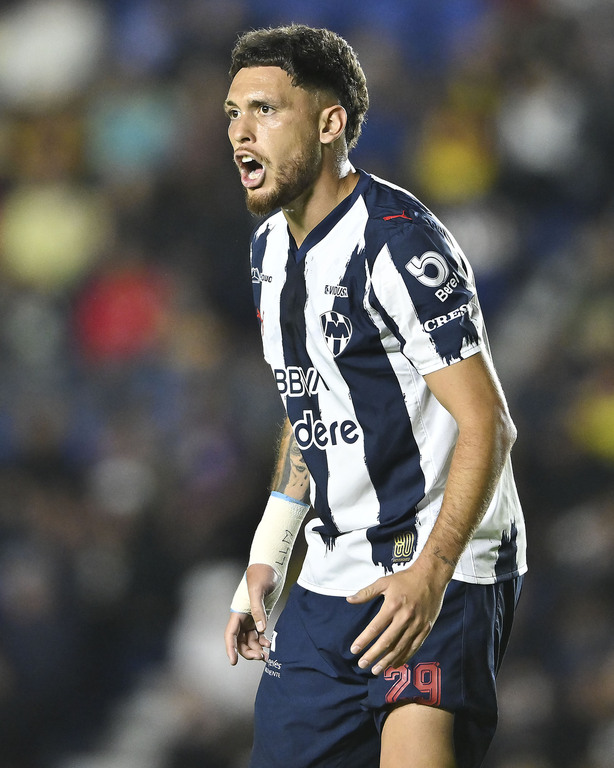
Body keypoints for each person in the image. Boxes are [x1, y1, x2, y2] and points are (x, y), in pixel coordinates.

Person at [222, 24, 527, 768]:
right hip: (333, 572)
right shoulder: (267, 252)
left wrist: (432, 574)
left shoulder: (398, 243)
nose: (240, 133)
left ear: (330, 124)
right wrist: (270, 550)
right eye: (233, 114)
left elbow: (488, 422)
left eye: (265, 110)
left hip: (439, 563)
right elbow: (311, 407)